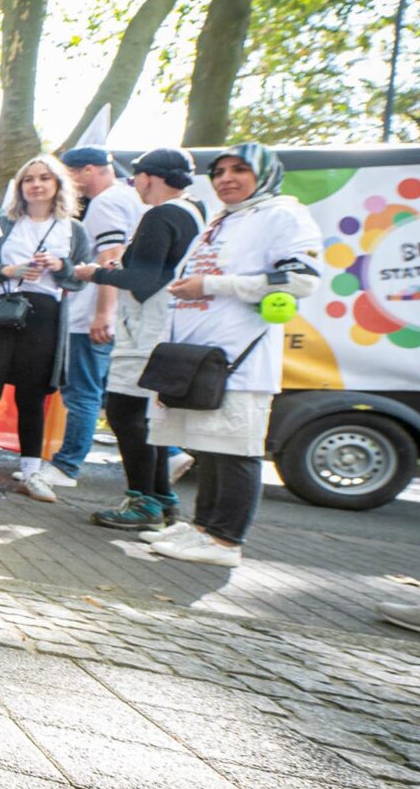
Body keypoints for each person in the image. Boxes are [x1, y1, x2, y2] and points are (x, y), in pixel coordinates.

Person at [138, 143, 321, 567]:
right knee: (210, 446)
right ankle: (203, 526)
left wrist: (213, 286)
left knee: (236, 449)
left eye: (240, 170)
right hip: (201, 355)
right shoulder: (224, 219)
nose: (226, 179)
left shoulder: (282, 214)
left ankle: (225, 539)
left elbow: (300, 277)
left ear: (265, 174)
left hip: (239, 358)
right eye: (219, 171)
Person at [73, 148, 206, 531]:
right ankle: (162, 497)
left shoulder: (161, 215)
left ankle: (143, 499)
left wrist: (96, 273)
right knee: (151, 417)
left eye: (135, 180)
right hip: (167, 325)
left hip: (144, 328)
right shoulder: (195, 212)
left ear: (149, 177)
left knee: (125, 413)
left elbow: (145, 279)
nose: (135, 187)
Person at [0, 156, 89, 504]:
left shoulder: (73, 230)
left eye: (45, 178)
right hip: (1, 313)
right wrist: (9, 269)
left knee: (32, 398)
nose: (36, 184)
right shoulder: (4, 223)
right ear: (19, 187)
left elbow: (79, 279)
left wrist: (61, 266)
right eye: (28, 179)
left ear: (58, 185)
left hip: (45, 316)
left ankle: (31, 471)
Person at [43, 146, 144, 488]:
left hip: (92, 315)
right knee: (110, 392)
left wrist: (103, 313)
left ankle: (67, 465)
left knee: (82, 392)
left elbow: (110, 260)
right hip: (125, 315)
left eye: (67, 175)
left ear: (86, 170)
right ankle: (171, 452)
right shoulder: (131, 198)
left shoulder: (106, 203)